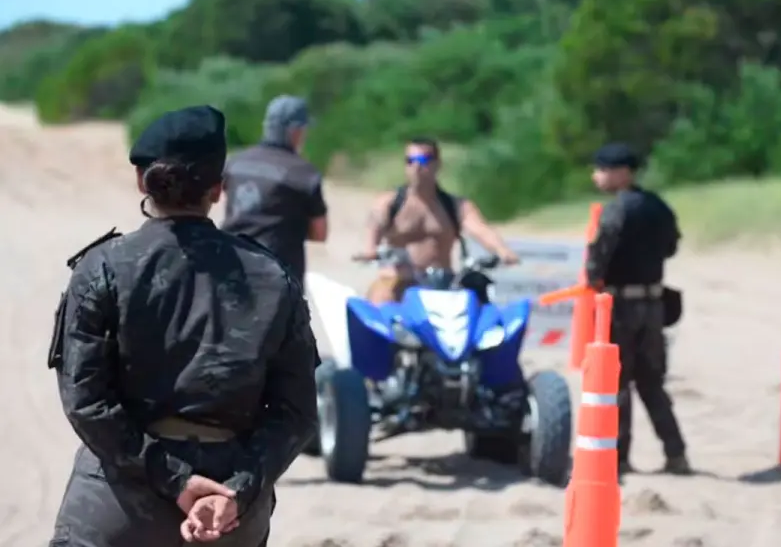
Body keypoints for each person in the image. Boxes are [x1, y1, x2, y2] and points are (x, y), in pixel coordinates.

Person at [47, 105, 320, 547]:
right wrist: (238, 488)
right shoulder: (274, 276)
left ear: (143, 181)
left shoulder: (103, 268)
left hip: (119, 503)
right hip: (227, 510)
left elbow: (87, 402)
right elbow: (297, 414)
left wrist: (175, 480)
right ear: (219, 188)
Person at [585, 142, 691, 476]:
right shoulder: (658, 206)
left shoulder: (617, 211)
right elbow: (671, 247)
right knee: (651, 382)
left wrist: (594, 277)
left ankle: (618, 458)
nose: (597, 176)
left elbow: (597, 260)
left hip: (621, 307)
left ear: (621, 173)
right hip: (654, 305)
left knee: (617, 383)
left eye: (602, 169)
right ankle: (676, 454)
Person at [353, 137, 519, 303]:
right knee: (380, 298)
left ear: (437, 164)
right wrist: (370, 250)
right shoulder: (389, 203)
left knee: (477, 305)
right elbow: (375, 226)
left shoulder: (455, 206)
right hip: (398, 282)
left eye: (423, 160)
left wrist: (502, 250)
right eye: (410, 161)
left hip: (442, 283)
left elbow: (481, 229)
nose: (416, 167)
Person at [221, 95, 328, 292]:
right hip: (279, 276)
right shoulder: (304, 173)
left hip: (230, 263)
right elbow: (319, 233)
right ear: (295, 131)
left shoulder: (234, 162)